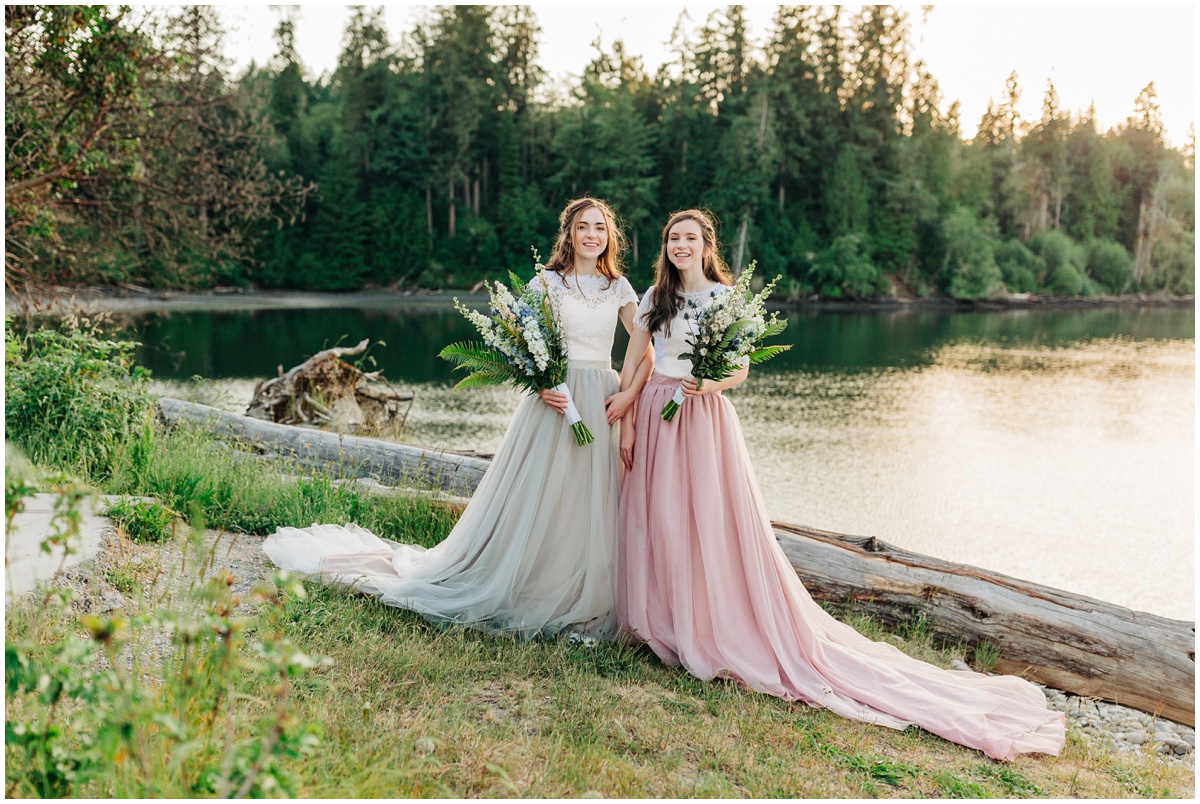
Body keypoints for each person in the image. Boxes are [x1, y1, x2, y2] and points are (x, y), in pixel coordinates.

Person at [614, 209, 1066, 761]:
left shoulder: (725, 299)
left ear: (706, 245)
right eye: (672, 238)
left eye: (690, 238)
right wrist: (630, 417)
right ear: (665, 246)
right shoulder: (654, 298)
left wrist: (708, 381)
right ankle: (661, 620)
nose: (680, 245)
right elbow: (635, 360)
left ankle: (706, 628)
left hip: (703, 418)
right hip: (659, 409)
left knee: (706, 523)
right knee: (659, 519)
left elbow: (741, 371)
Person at [264, 197, 652, 640]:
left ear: (610, 235)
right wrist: (539, 377)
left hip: (601, 402)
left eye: (599, 228)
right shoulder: (548, 282)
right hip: (553, 404)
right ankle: (527, 585)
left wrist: (627, 400)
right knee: (542, 498)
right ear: (568, 233)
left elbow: (647, 355)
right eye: (583, 227)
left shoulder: (619, 288)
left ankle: (586, 597)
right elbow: (521, 337)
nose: (591, 235)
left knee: (591, 501)